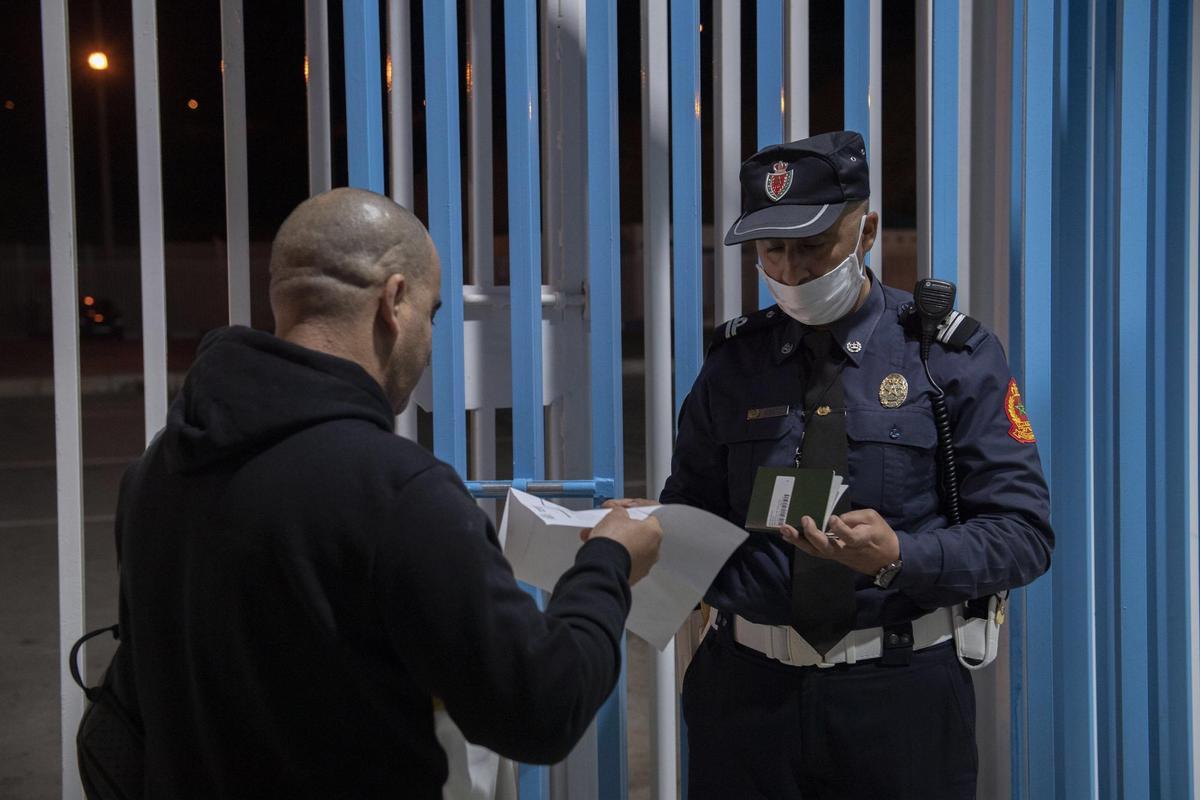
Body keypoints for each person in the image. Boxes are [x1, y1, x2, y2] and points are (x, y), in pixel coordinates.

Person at [111, 188, 662, 798]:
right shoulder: (398, 492)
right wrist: (609, 563)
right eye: (432, 313)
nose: (428, 343)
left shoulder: (157, 470)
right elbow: (541, 708)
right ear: (394, 301)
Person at [610, 131, 1053, 799]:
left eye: (813, 245)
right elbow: (693, 510)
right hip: (747, 703)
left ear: (867, 229)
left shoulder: (946, 357)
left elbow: (1024, 534)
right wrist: (650, 525)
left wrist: (900, 555)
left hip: (900, 701)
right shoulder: (736, 364)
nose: (790, 271)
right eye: (771, 250)